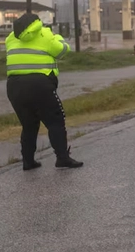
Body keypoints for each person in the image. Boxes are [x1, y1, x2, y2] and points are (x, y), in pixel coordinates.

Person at [6, 12, 83, 170]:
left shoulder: (11, 38)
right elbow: (62, 51)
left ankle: (28, 161)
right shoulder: (45, 34)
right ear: (37, 23)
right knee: (55, 121)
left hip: (14, 86)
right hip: (39, 85)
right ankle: (62, 158)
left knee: (28, 124)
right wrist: (58, 38)